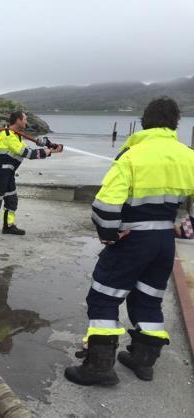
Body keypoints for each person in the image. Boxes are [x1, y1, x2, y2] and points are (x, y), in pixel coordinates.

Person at [65, 97, 194, 386]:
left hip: (133, 238)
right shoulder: (188, 156)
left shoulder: (132, 155)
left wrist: (109, 235)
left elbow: (105, 206)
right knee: (149, 298)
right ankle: (143, 361)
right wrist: (185, 229)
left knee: (103, 296)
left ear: (145, 121)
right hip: (164, 242)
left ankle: (99, 367)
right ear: (175, 124)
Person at [0, 110, 62, 241]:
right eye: (25, 119)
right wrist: (50, 151)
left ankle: (8, 226)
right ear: (18, 120)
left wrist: (49, 150)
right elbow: (27, 153)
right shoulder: (6, 135)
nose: (27, 121)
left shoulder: (16, 135)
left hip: (8, 174)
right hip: (0, 174)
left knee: (11, 201)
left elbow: (30, 150)